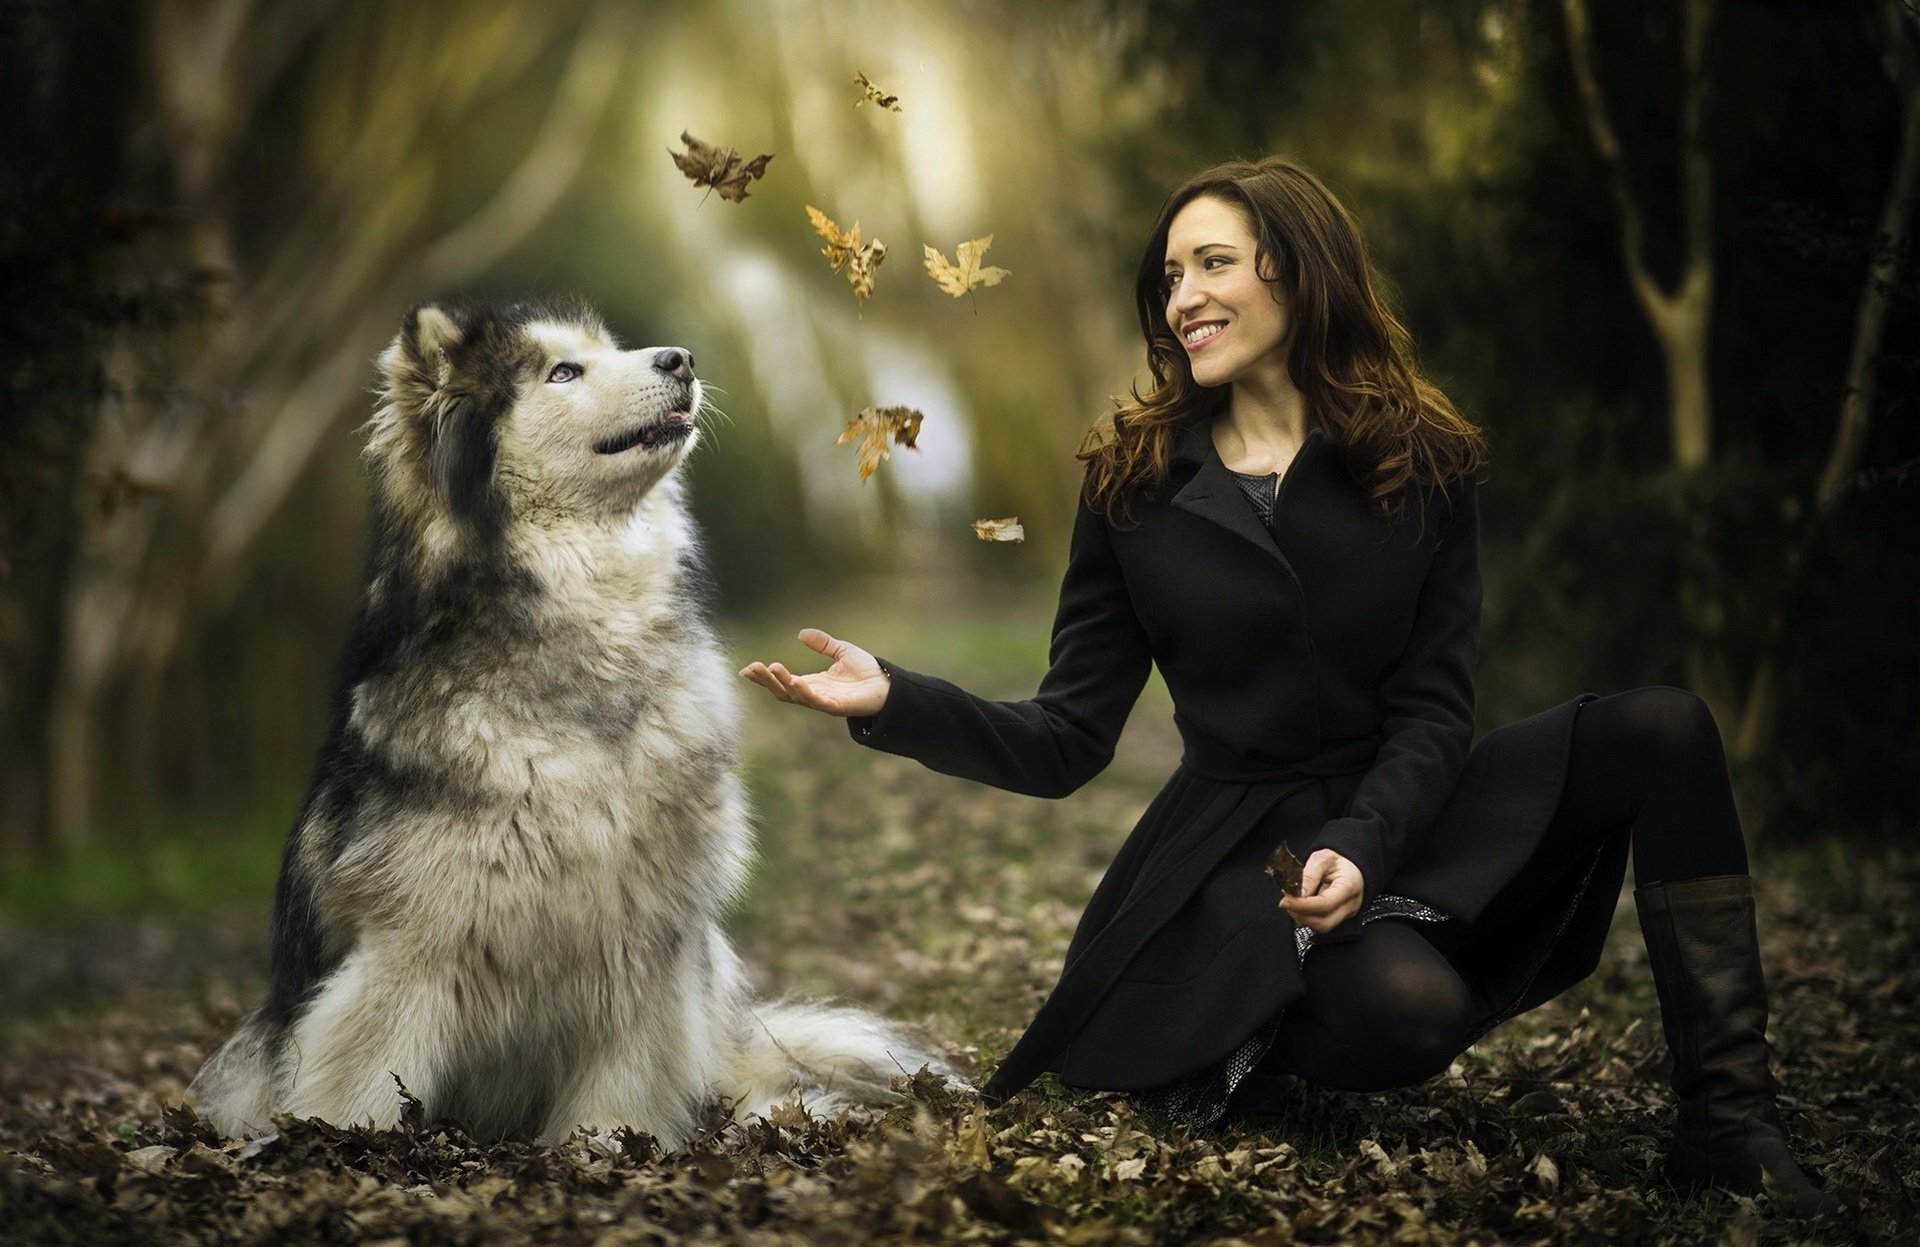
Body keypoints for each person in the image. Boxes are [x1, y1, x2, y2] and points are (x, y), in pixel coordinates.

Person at [739, 157, 1831, 1217]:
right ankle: (1250, 1028)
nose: (1183, 299)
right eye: (1170, 275)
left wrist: (1365, 840)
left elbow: (1435, 707)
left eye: (1213, 264)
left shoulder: (1424, 454)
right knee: (1409, 1018)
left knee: (1666, 727)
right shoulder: (1132, 482)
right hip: (1237, 846)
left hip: (1409, 797)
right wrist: (896, 699)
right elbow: (1069, 734)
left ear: (1298, 274)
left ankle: (1729, 1126)